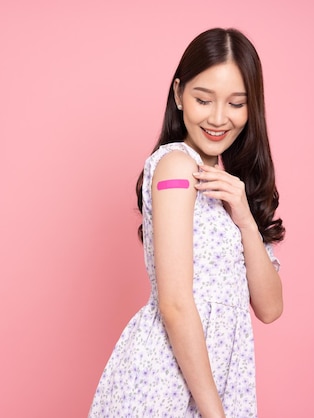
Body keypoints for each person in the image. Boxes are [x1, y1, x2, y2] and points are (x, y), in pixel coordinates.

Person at [88, 28, 285, 418]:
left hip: (211, 386)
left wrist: (245, 218)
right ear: (178, 94)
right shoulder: (176, 167)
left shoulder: (233, 191)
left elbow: (270, 307)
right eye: (202, 99)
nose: (217, 118)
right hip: (165, 385)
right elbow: (176, 303)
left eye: (236, 103)